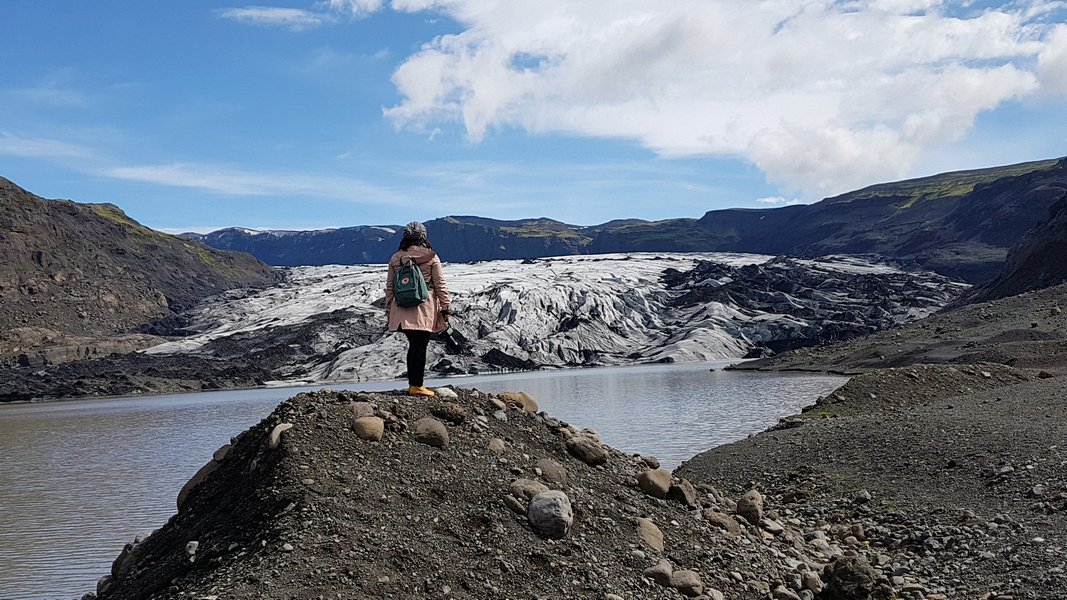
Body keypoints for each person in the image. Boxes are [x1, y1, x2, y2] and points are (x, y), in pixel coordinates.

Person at [385, 221, 451, 397]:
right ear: (423, 236)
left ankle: (414, 385)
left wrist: (389, 311)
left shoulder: (396, 258)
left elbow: (390, 288)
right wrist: (446, 308)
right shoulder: (431, 257)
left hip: (401, 309)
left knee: (414, 346)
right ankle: (417, 386)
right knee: (420, 346)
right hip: (424, 307)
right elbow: (440, 285)